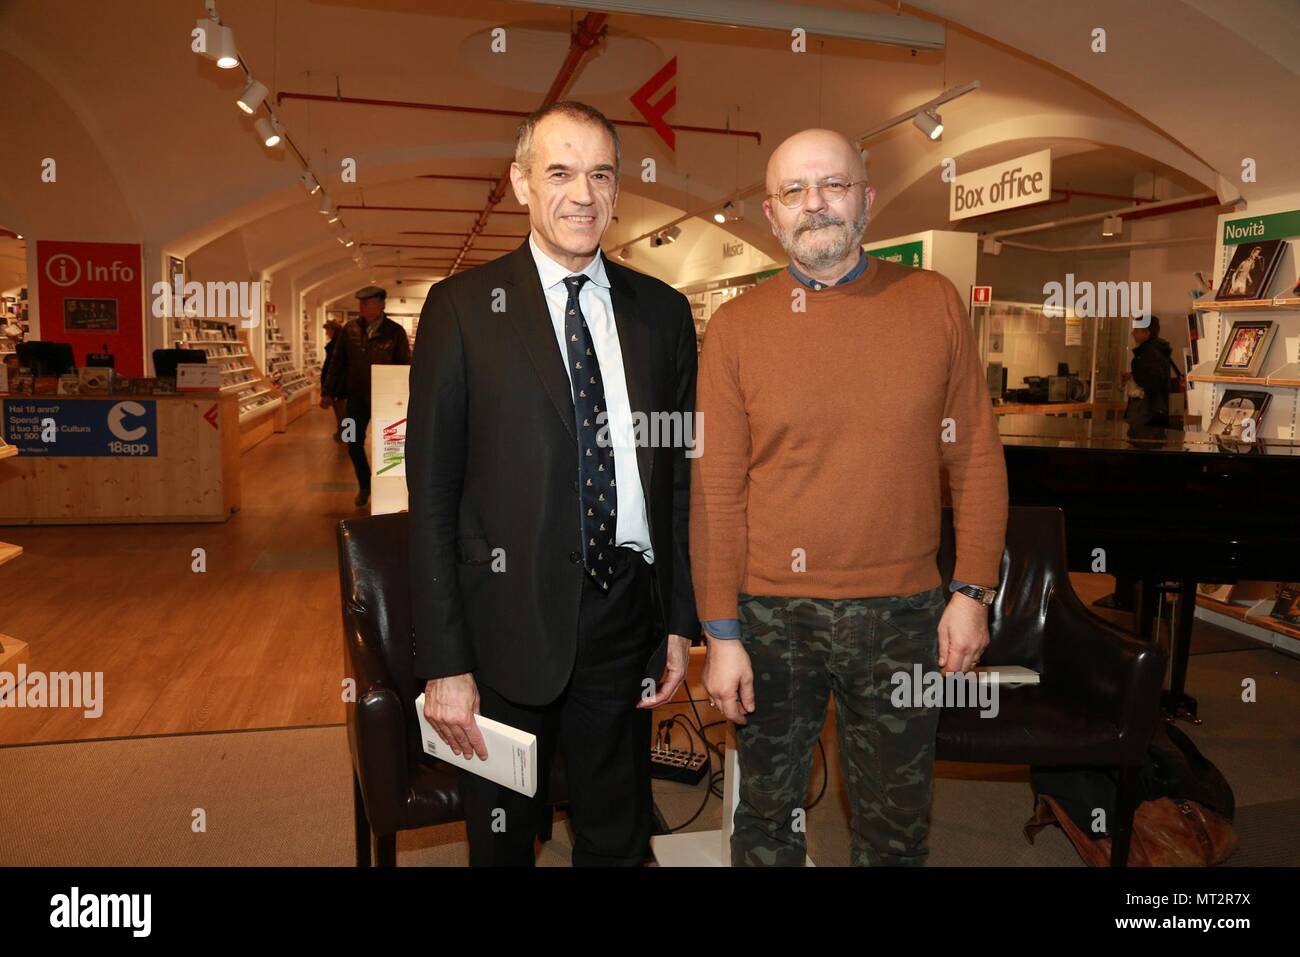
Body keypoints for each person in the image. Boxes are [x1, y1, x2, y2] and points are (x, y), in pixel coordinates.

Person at [691, 128, 1009, 866]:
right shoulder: (735, 327)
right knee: (766, 818)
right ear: (771, 215)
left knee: (896, 827)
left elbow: (978, 457)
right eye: (795, 191)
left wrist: (972, 590)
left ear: (866, 199)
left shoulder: (932, 302)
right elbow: (716, 489)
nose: (815, 204)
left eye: (832, 185)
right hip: (771, 616)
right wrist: (720, 632)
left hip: (903, 613)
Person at [407, 101, 700, 866]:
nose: (583, 194)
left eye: (600, 174)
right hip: (501, 626)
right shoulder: (463, 309)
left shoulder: (663, 315)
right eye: (560, 172)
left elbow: (677, 484)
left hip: (622, 619)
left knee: (617, 839)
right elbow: (431, 496)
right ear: (520, 183)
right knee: (502, 848)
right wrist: (446, 661)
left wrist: (678, 620)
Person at [321, 287, 410, 507]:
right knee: (352, 442)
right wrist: (328, 391)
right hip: (356, 399)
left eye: (367, 303)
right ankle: (365, 485)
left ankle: (387, 489)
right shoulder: (349, 330)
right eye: (360, 303)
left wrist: (405, 397)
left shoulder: (395, 332)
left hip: (387, 400)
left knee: (388, 445)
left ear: (381, 305)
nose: (362, 307)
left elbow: (405, 366)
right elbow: (337, 362)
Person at [1123, 313, 1176, 429]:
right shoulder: (1158, 351)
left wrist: (1136, 379)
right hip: (1155, 410)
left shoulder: (1148, 353)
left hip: (1145, 412)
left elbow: (1154, 380)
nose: (1133, 333)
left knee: (1140, 442)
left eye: (1136, 330)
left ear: (1147, 333)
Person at [319, 319, 347, 443]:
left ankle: (346, 436)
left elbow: (333, 368)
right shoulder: (338, 345)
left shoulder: (336, 346)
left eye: (328, 330)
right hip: (339, 384)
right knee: (342, 412)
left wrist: (328, 387)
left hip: (339, 385)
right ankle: (344, 434)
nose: (326, 333)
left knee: (343, 411)